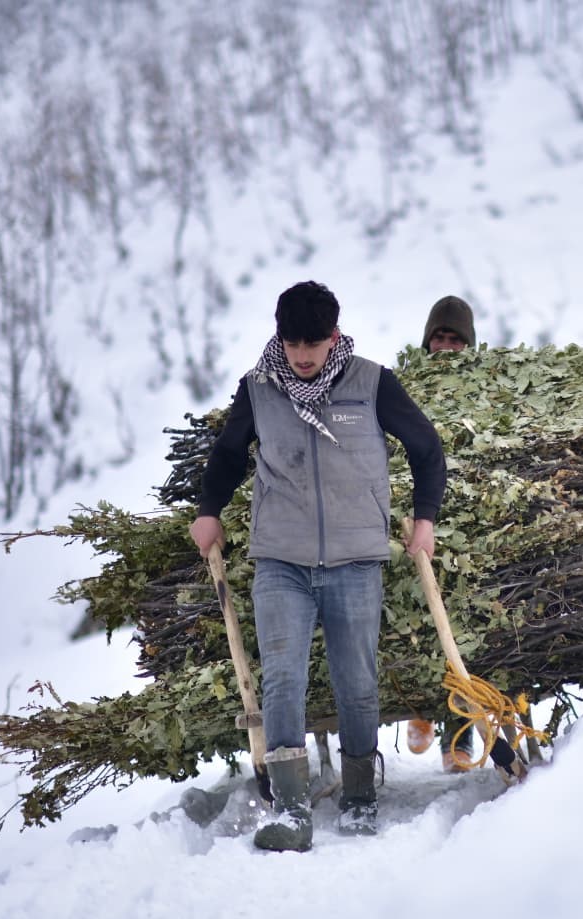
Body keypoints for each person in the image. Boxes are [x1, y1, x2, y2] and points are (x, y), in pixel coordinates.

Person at [190, 281, 445, 849]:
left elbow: (427, 448)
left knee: (357, 684)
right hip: (281, 558)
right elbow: (229, 456)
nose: (303, 357)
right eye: (292, 343)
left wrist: (424, 519)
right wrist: (209, 511)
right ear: (278, 336)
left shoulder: (372, 383)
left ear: (334, 336)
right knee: (282, 680)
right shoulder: (259, 389)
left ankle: (359, 797)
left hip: (356, 560)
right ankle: (290, 810)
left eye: (314, 344)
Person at [405, 296, 481, 773]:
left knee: (467, 622)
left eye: (457, 339)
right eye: (440, 337)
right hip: (417, 513)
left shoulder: (487, 386)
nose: (447, 347)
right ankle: (418, 710)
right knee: (411, 614)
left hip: (471, 521)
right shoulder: (405, 386)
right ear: (427, 341)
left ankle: (459, 737)